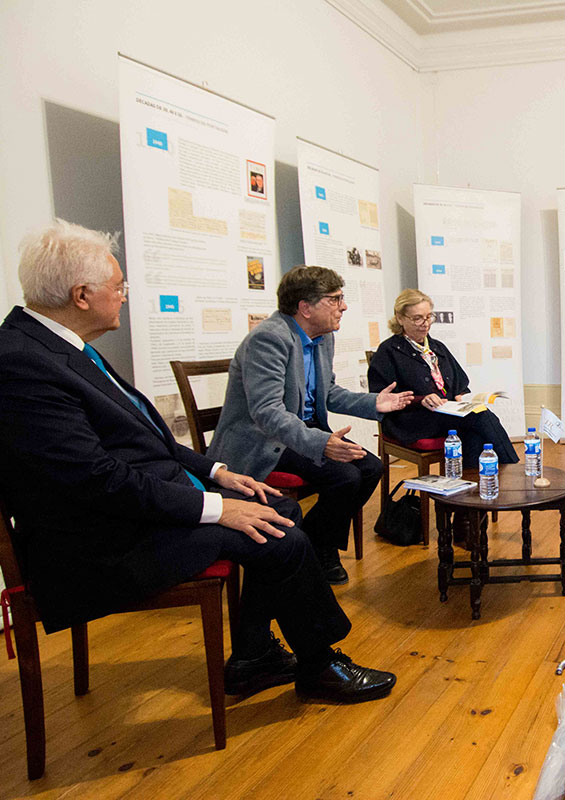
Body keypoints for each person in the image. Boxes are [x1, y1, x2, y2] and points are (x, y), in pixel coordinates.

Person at [0, 221, 395, 703]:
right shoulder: (23, 361)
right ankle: (317, 664)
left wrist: (217, 472)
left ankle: (254, 654)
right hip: (101, 541)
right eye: (119, 286)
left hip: (137, 504)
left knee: (281, 508)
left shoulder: (58, 348)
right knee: (279, 533)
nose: (124, 295)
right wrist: (217, 507)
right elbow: (95, 479)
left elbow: (147, 440)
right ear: (81, 295)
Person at [208, 266, 412, 585]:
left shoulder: (322, 338)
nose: (343, 306)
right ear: (305, 307)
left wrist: (374, 403)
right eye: (335, 299)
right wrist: (321, 443)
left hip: (299, 431)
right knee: (345, 476)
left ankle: (311, 542)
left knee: (371, 468)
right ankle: (318, 549)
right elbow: (267, 412)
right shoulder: (268, 339)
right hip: (263, 440)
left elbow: (327, 393)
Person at [368, 289, 518, 470]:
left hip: (445, 413)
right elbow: (381, 397)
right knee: (480, 417)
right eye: (417, 318)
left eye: (429, 317)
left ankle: (470, 485)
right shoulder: (388, 351)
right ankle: (515, 468)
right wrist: (421, 400)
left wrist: (462, 395)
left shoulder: (437, 347)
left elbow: (459, 381)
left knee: (474, 432)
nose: (425, 324)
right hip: (410, 420)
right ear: (400, 318)